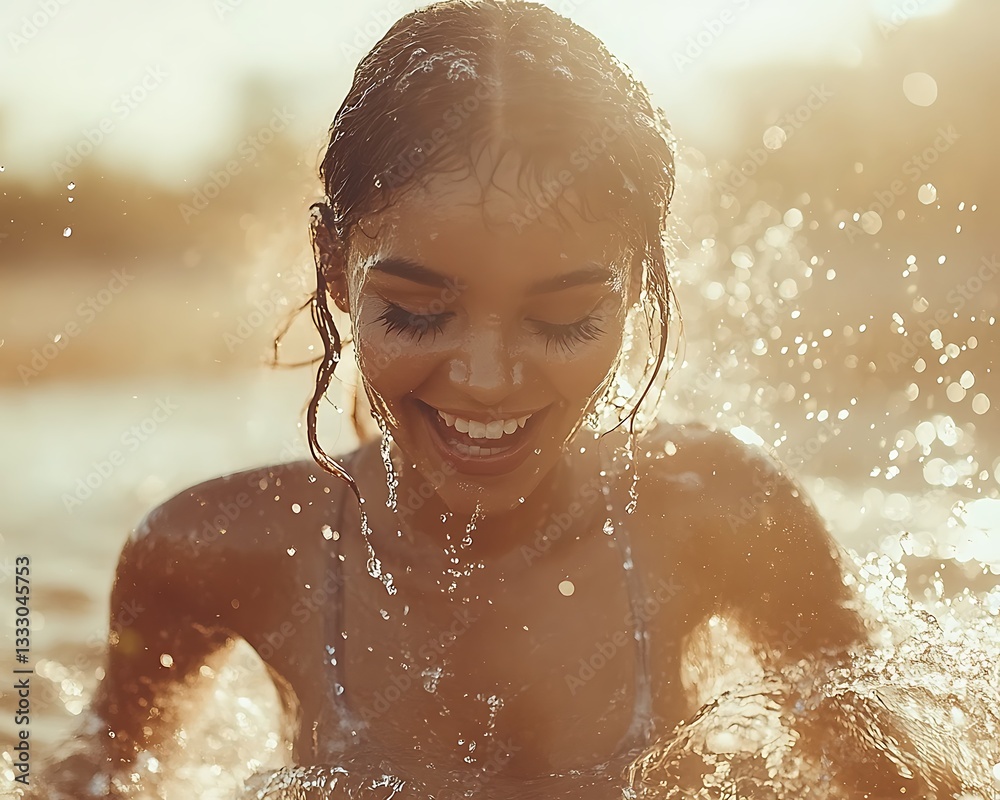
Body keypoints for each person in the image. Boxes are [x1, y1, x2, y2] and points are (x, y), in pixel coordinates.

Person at [38, 2, 966, 798]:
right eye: (414, 310)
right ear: (333, 267)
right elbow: (92, 774)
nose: (485, 380)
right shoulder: (212, 551)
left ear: (638, 285)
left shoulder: (718, 514)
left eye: (564, 320)